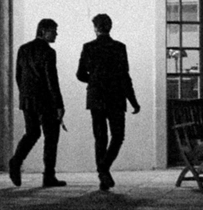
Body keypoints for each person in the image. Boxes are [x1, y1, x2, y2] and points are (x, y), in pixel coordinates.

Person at [76, 13, 140, 191]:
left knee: (100, 137)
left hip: (96, 97)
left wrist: (94, 80)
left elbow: (80, 74)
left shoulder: (88, 47)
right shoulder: (119, 47)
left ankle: (102, 172)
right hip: (116, 96)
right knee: (118, 136)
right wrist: (133, 101)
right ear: (110, 27)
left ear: (95, 28)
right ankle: (104, 169)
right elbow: (125, 77)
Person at [9, 18, 67, 188]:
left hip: (27, 100)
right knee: (51, 138)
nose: (56, 34)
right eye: (53, 30)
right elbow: (51, 80)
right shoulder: (49, 52)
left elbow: (18, 76)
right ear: (43, 31)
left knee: (32, 133)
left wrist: (25, 94)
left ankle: (16, 161)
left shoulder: (23, 49)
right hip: (46, 101)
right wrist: (59, 104)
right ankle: (49, 175)